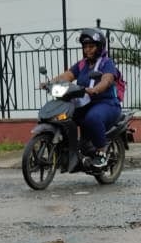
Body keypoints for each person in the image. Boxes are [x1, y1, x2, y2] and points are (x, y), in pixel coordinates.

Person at [45, 28, 121, 170]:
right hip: (85, 102)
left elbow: (107, 79)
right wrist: (50, 83)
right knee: (64, 117)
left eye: (91, 46)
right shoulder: (82, 64)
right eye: (85, 47)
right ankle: (72, 149)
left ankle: (102, 152)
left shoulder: (107, 63)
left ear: (99, 47)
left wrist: (96, 89)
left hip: (106, 103)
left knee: (92, 118)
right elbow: (67, 76)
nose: (88, 50)